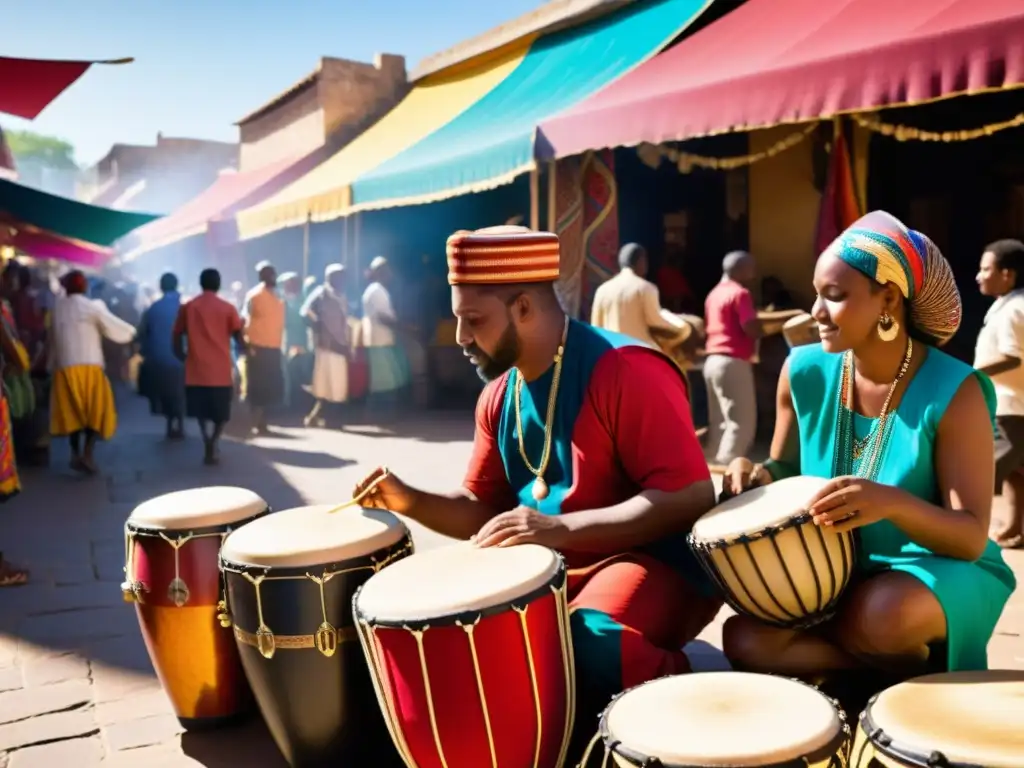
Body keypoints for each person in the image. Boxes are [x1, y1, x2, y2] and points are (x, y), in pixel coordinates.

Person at [352, 226, 720, 750]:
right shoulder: (499, 395)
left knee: (584, 646)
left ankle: (709, 695)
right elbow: (483, 507)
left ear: (524, 307)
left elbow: (689, 497)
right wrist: (410, 500)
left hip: (644, 561)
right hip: (548, 570)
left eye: (472, 320)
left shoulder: (625, 369)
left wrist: (557, 528)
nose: (459, 337)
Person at [721, 211, 1015, 683]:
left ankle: (888, 649)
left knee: (882, 615)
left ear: (889, 300)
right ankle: (898, 666)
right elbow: (784, 470)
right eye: (816, 293)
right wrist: (751, 474)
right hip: (832, 571)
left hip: (933, 569)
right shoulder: (803, 371)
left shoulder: (952, 390)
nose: (815, 311)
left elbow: (969, 536)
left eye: (834, 297)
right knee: (743, 639)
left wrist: (890, 503)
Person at [49, 270, 137, 474]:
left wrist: (50, 365)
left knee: (72, 414)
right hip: (90, 367)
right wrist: (132, 333)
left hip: (65, 368)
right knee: (95, 412)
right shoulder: (92, 307)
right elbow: (113, 326)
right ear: (84, 287)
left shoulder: (57, 308)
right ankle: (88, 453)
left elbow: (51, 339)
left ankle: (75, 454)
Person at [975, 238, 1024, 549]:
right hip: (1013, 403)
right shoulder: (1008, 305)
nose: (979, 276)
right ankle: (1013, 529)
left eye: (985, 269)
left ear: (1007, 274)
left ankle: (960, 529)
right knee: (1016, 472)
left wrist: (973, 375)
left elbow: (1012, 355)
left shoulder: (1014, 309)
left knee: (982, 470)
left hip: (1011, 404)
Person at [173, 268, 246, 465]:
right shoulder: (228, 308)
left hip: (196, 369)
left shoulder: (188, 307)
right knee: (221, 413)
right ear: (218, 284)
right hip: (220, 370)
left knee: (201, 411)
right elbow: (238, 335)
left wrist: (180, 354)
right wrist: (245, 350)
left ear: (201, 283)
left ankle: (206, 439)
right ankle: (214, 440)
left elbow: (177, 333)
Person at [703, 251, 762, 464]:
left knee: (719, 423)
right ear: (741, 269)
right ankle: (728, 471)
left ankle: (712, 469)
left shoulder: (714, 294)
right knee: (741, 424)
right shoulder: (740, 293)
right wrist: (762, 328)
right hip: (732, 361)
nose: (754, 273)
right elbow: (750, 326)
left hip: (711, 361)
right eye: (751, 268)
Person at [591, 242, 691, 348]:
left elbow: (596, 327)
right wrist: (681, 326)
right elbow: (656, 322)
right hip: (639, 352)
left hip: (612, 352)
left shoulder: (602, 290)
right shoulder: (645, 288)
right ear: (641, 261)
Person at [300, 264, 352, 428]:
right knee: (327, 382)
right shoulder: (320, 293)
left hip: (340, 344)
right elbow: (305, 313)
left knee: (335, 383)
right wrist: (319, 329)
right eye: (338, 276)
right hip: (326, 345)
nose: (341, 279)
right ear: (329, 277)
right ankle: (329, 419)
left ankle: (316, 417)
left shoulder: (341, 296)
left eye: (343, 276)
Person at [136, 272, 185, 439]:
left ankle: (170, 423)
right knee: (180, 392)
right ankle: (179, 423)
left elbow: (142, 333)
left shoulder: (153, 308)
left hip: (159, 359)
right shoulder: (185, 306)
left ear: (161, 287)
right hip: (181, 359)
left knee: (165, 393)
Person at [361, 256, 410, 417]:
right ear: (380, 272)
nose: (390, 274)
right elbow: (383, 317)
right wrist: (404, 327)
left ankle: (379, 413)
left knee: (384, 379)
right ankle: (381, 414)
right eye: (387, 271)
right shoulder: (376, 290)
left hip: (381, 340)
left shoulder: (377, 289)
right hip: (379, 341)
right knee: (384, 381)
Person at [241, 261, 285, 435]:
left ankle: (263, 421)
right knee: (256, 386)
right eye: (267, 274)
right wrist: (247, 344)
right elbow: (245, 319)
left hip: (273, 347)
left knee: (269, 386)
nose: (271, 277)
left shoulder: (278, 296)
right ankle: (255, 421)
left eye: (272, 274)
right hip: (257, 347)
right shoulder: (254, 296)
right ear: (261, 277)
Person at [279, 271, 311, 410]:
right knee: (287, 373)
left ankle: (303, 402)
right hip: (287, 341)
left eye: (294, 282)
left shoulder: (304, 300)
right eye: (289, 283)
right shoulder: (281, 301)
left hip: (302, 340)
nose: (292, 285)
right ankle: (287, 402)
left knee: (303, 371)